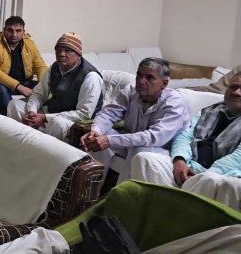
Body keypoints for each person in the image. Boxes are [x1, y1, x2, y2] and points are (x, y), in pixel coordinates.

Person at [132, 73, 241, 210]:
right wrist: (180, 161)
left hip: (220, 175)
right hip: (189, 165)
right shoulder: (210, 110)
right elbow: (184, 135)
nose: (237, 92)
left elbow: (236, 159)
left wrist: (200, 176)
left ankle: (172, 215)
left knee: (208, 180)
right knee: (146, 159)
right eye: (233, 87)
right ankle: (154, 211)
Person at [81, 57, 189, 184]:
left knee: (138, 149)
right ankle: (90, 189)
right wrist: (96, 131)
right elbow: (109, 113)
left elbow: (154, 137)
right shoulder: (130, 91)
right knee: (98, 138)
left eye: (149, 77)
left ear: (164, 84)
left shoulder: (174, 103)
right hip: (133, 142)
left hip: (161, 152)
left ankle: (121, 193)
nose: (141, 81)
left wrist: (110, 140)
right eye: (139, 75)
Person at [8, 32, 104, 141]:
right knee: (14, 105)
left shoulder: (90, 77)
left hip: (72, 120)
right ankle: (22, 141)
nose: (61, 54)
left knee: (58, 123)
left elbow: (84, 114)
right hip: (51, 112)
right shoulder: (54, 67)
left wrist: (44, 118)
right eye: (58, 50)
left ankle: (41, 146)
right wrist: (32, 112)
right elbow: (39, 94)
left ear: (78, 55)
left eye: (68, 51)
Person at [0, 16, 47, 115]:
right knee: (1, 90)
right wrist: (19, 87)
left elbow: (40, 67)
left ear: (23, 32)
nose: (14, 34)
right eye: (10, 30)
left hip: (25, 82)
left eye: (18, 31)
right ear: (4, 30)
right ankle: (7, 119)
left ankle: (39, 117)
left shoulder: (29, 44)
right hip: (3, 84)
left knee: (48, 89)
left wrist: (43, 84)